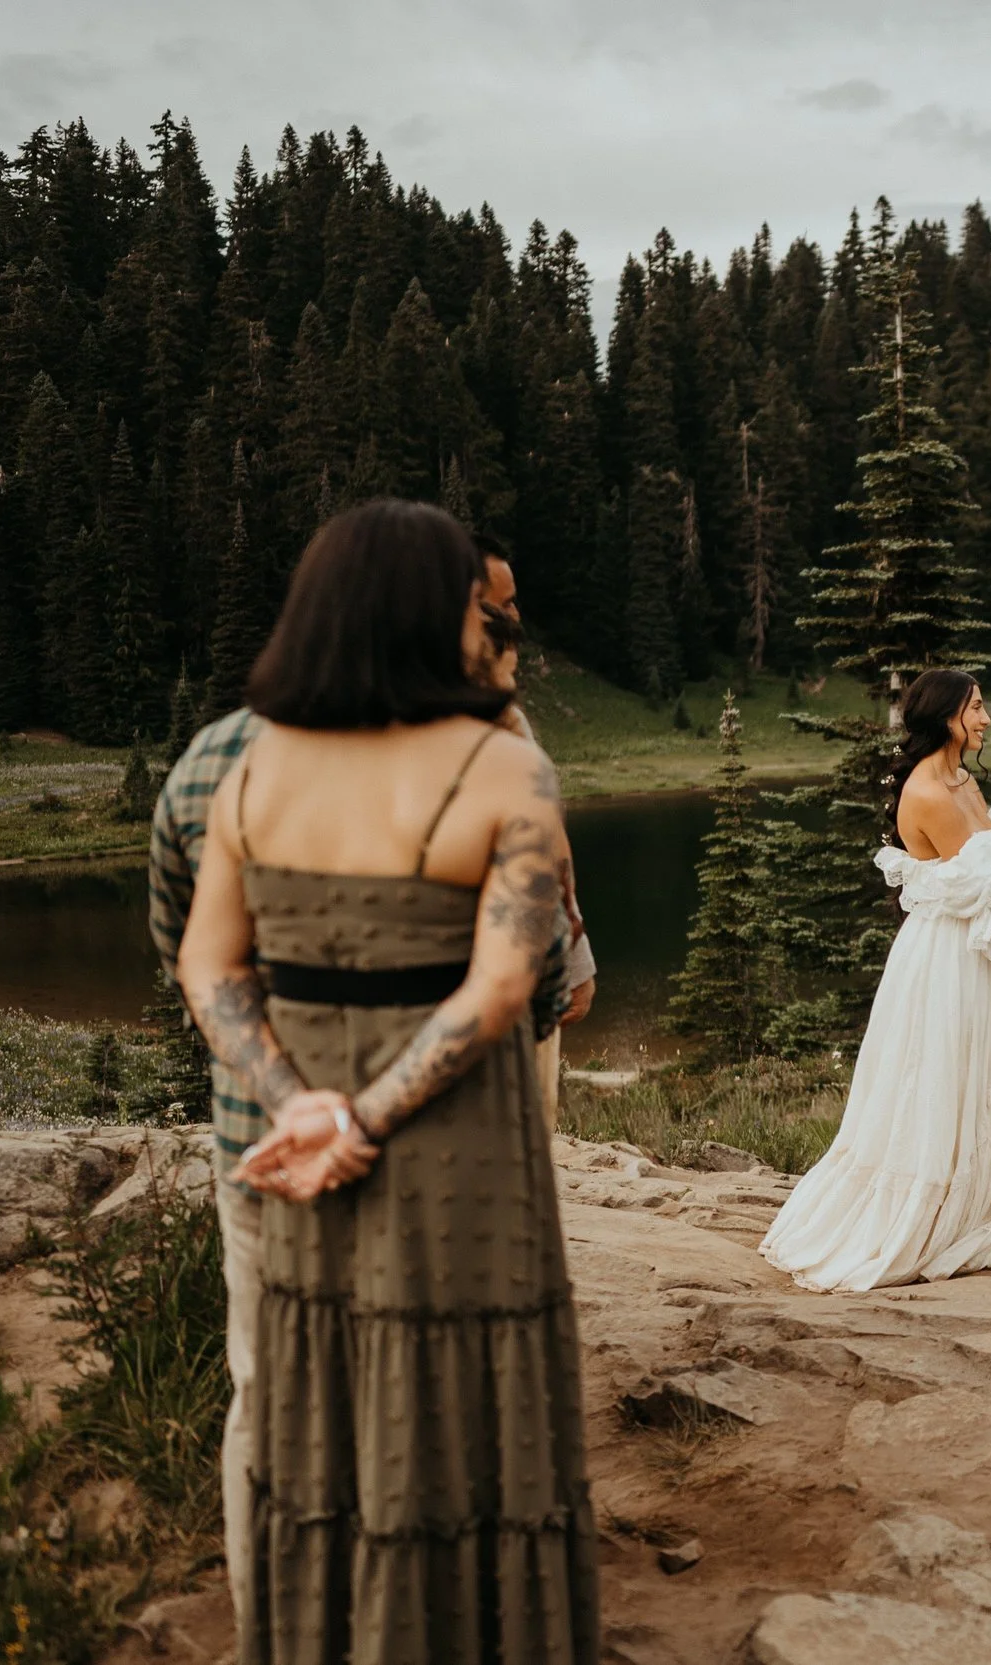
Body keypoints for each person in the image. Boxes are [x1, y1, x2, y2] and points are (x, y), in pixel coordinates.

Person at [174, 500, 597, 1664]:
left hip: (304, 1148)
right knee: (475, 1400)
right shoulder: (503, 766)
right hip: (456, 1148)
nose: (488, 623)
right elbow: (504, 988)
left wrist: (299, 1104)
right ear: (424, 612)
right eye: (473, 600)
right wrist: (369, 1113)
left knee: (320, 1403)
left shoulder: (255, 768)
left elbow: (209, 967)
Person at [760, 670, 991, 1291]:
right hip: (954, 956)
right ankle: (944, 1210)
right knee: (951, 1078)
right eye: (977, 708)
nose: (986, 718)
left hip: (985, 951)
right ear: (947, 716)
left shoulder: (964, 779)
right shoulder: (929, 793)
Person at [147, 704, 265, 1640]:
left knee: (261, 1389)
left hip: (252, 1139)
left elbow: (183, 953)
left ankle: (268, 1625)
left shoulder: (203, 763)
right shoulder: (453, 749)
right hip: (414, 1156)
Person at [473, 537, 595, 1126]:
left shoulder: (512, 723)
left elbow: (553, 848)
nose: (514, 616)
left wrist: (576, 959)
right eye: (504, 602)